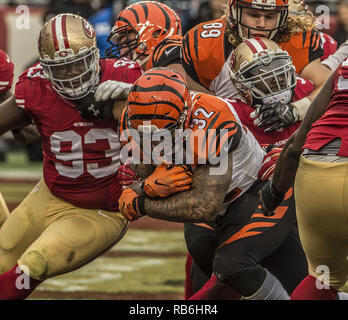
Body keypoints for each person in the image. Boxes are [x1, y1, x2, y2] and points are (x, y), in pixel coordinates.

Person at [117, 67, 308, 300]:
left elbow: (205, 205)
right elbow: (141, 175)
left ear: (185, 114)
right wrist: (144, 185)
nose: (156, 141)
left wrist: (142, 204)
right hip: (216, 202)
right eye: (147, 135)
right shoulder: (135, 120)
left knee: (233, 265)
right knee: (203, 251)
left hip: (256, 193)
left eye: (165, 132)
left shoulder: (211, 120)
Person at [0, 13, 143, 300]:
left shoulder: (128, 78)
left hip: (103, 210)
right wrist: (23, 129)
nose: (73, 74)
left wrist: (139, 100)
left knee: (35, 262)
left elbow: (180, 116)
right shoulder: (35, 87)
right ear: (45, 68)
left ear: (95, 55)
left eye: (79, 62)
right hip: (49, 195)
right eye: (62, 68)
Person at [183, 37, 313, 299]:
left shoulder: (306, 93)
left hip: (290, 205)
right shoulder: (226, 112)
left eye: (279, 75)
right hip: (236, 204)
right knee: (204, 248)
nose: (274, 84)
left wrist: (300, 110)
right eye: (263, 79)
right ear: (241, 88)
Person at [258, 55, 348, 299]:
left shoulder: (345, 64)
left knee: (323, 278)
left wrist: (275, 190)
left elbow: (298, 142)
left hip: (314, 171)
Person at [180, 0, 332, 132]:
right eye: (253, 15)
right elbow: (197, 105)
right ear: (235, 11)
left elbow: (328, 85)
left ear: (282, 17)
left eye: (270, 16)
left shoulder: (295, 38)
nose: (261, 24)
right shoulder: (207, 44)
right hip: (232, 136)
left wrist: (297, 110)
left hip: (286, 135)